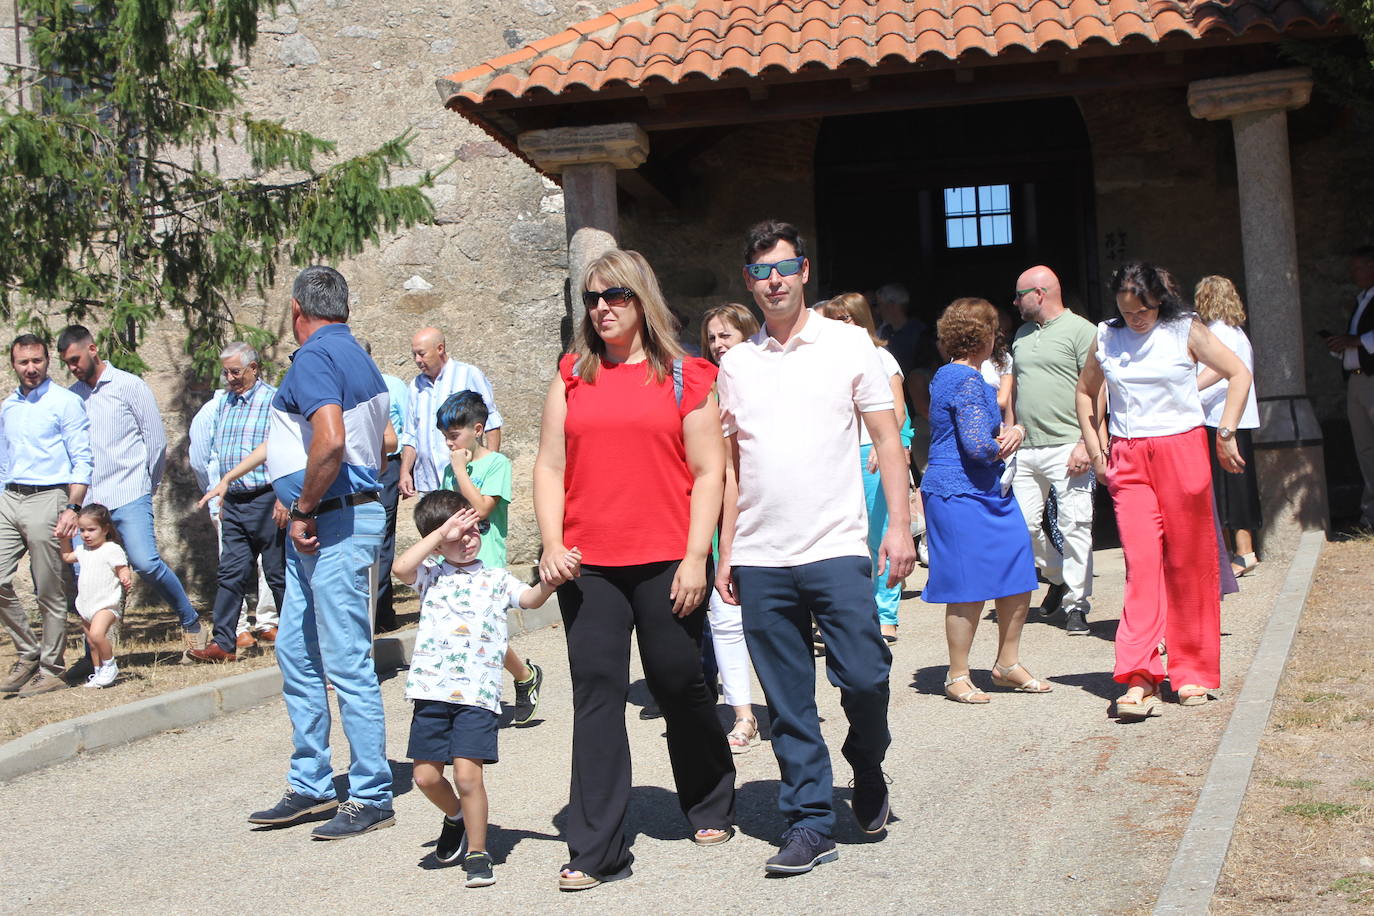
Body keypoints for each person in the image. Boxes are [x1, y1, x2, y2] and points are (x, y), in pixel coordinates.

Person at [715, 220, 915, 875]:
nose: (774, 280)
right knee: (789, 702)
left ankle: (865, 757)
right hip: (762, 556)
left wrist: (900, 525)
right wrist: (726, 552)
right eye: (762, 272)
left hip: (835, 546)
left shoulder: (848, 344)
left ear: (803, 271)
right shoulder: (736, 363)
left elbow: (887, 437)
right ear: (750, 282)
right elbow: (731, 466)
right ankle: (809, 823)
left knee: (865, 675)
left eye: (785, 267)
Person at [533, 248, 735, 891]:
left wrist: (697, 556)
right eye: (592, 299)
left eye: (615, 295)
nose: (602, 308)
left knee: (678, 681)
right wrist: (549, 541)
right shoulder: (571, 373)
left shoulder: (685, 374)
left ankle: (707, 796)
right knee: (597, 694)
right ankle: (595, 848)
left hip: (667, 561)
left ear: (642, 299)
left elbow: (709, 472)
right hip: (588, 563)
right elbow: (549, 466)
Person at [245, 265, 395, 839]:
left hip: (329, 525)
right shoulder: (357, 356)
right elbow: (381, 444)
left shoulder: (311, 358)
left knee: (345, 660)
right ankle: (311, 784)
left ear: (296, 310)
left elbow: (330, 438)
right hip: (339, 519)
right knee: (299, 653)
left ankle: (371, 791)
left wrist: (304, 505)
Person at [1076, 261, 1252, 719]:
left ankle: (1192, 672)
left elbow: (1238, 373)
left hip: (1183, 447)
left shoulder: (1184, 329)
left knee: (1190, 562)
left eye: (1145, 309)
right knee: (1141, 564)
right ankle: (1139, 675)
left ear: (1160, 301)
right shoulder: (1106, 336)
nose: (1137, 318)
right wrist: (1098, 452)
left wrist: (1226, 431)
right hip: (1129, 457)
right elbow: (1085, 393)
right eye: (1128, 309)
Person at [394, 489, 570, 888]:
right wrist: (441, 534)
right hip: (431, 692)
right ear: (440, 538)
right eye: (460, 533)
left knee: (468, 777)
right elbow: (401, 568)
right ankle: (455, 816)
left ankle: (478, 850)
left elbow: (529, 598)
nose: (470, 538)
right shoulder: (431, 574)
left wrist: (551, 580)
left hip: (478, 695)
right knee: (424, 777)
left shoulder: (494, 578)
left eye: (476, 529)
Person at [56, 325, 207, 661]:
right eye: (67, 363)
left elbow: (155, 441)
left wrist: (146, 485)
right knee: (87, 578)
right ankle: (93, 657)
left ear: (92, 349)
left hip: (129, 491)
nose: (73, 367)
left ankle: (191, 621)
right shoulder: (72, 398)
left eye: (76, 359)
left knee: (145, 562)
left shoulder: (129, 385)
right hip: (90, 503)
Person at [921, 299, 1045, 704]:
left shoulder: (949, 374)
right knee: (967, 583)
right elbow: (978, 446)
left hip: (983, 490)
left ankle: (1007, 665)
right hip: (960, 491)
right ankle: (957, 675)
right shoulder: (967, 380)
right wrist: (1014, 435)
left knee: (1017, 566)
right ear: (985, 335)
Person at [435, 389, 545, 726]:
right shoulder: (451, 468)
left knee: (488, 634)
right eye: (444, 437)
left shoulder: (497, 464)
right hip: (453, 562)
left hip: (488, 560)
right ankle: (471, 699)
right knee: (462, 632)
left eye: (454, 436)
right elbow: (446, 513)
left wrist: (461, 472)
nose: (450, 444)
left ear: (478, 429)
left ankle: (524, 677)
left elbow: (483, 507)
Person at [0, 334, 92, 698]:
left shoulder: (65, 403)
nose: (31, 368)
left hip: (49, 496)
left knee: (48, 588)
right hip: (10, 496)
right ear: (13, 363)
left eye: (37, 360)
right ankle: (27, 653)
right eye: (24, 362)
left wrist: (72, 507)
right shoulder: (8, 405)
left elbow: (83, 458)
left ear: (47, 359)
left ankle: (51, 668)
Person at [1009, 266, 1099, 635]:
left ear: (1040, 293)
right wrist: (1011, 426)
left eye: (1019, 295)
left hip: (1068, 445)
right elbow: (1016, 386)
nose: (1014, 302)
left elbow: (1097, 391)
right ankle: (1059, 576)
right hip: (1026, 447)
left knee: (1075, 524)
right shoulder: (1021, 334)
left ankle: (1077, 604)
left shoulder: (1083, 331)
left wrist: (1086, 442)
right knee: (1021, 525)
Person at [819, 293, 912, 643]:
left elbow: (898, 411)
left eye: (846, 317)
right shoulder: (824, 359)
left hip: (868, 451)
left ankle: (886, 614)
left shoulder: (881, 357)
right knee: (845, 537)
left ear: (860, 319)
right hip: (836, 454)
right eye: (833, 318)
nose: (840, 324)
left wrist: (879, 444)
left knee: (879, 533)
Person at [188, 343, 286, 663]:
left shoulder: (273, 400)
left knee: (276, 572)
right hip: (235, 502)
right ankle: (224, 643)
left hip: (267, 498)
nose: (229, 378)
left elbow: (283, 451)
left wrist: (285, 497)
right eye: (226, 372)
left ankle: (298, 636)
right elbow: (215, 451)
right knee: (230, 573)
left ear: (254, 369)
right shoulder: (225, 403)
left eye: (235, 371)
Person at [699, 302, 762, 752]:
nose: (718, 345)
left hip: (766, 509)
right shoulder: (704, 387)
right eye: (713, 338)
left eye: (727, 336)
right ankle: (743, 714)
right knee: (724, 615)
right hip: (721, 508)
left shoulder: (770, 382)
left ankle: (782, 703)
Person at [1194, 276, 1263, 576]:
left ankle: (1240, 553)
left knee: (1226, 489)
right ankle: (1238, 551)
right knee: (1236, 486)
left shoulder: (1217, 333)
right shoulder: (1236, 332)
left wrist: (1189, 390)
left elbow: (1221, 369)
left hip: (1220, 419)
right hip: (1236, 418)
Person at [399, 327, 502, 498]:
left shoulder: (468, 374)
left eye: (422, 354)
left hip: (466, 479)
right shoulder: (415, 386)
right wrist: (405, 472)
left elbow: (491, 422)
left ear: (440, 349)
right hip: (428, 483)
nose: (417, 360)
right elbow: (411, 434)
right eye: (414, 355)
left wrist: (490, 468)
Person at [359, 339, 409, 633]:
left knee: (381, 538)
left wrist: (405, 470)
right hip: (358, 469)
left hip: (386, 467)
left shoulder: (391, 386)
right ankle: (380, 613)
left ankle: (378, 614)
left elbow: (402, 433)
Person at [1326, 245, 1374, 529]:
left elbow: (1364, 340)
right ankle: (1370, 514)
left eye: (1358, 267)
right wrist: (1341, 346)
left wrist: (1355, 341)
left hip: (1371, 379)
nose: (1353, 273)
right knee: (1365, 449)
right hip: (1356, 379)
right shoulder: (1362, 299)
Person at [61, 503, 131, 688]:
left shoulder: (111, 549)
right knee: (91, 642)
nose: (86, 534)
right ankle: (98, 671)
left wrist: (125, 578)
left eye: (91, 529)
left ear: (105, 529)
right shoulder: (83, 550)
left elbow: (122, 568)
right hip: (86, 604)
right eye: (82, 530)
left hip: (106, 604)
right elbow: (67, 557)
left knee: (98, 634)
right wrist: (64, 539)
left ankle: (110, 665)